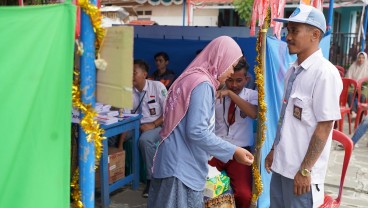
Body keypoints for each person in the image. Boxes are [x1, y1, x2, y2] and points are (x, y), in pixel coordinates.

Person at [148, 36, 254, 207]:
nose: (229, 74)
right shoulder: (203, 84)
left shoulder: (189, 77)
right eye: (231, 67)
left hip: (170, 160)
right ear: (221, 59)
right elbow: (197, 131)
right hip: (181, 167)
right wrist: (234, 151)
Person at [265, 5, 343, 208]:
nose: (288, 37)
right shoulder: (293, 70)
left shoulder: (325, 74)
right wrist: (275, 149)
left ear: (315, 35)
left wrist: (306, 169)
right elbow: (286, 118)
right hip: (282, 168)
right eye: (287, 30)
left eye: (294, 31)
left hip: (301, 176)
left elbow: (325, 126)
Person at [209, 58, 258, 207]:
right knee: (200, 185)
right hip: (216, 149)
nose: (234, 85)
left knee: (244, 195)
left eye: (239, 80)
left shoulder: (252, 95)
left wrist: (230, 94)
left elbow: (253, 113)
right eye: (230, 80)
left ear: (247, 79)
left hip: (240, 152)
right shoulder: (215, 94)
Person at [118, 59, 167, 198]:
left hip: (158, 125)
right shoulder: (129, 91)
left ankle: (152, 180)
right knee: (110, 138)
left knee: (145, 141)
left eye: (134, 72)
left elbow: (169, 111)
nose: (131, 76)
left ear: (144, 74)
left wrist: (153, 125)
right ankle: (116, 175)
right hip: (136, 126)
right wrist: (120, 144)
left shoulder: (157, 87)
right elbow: (127, 118)